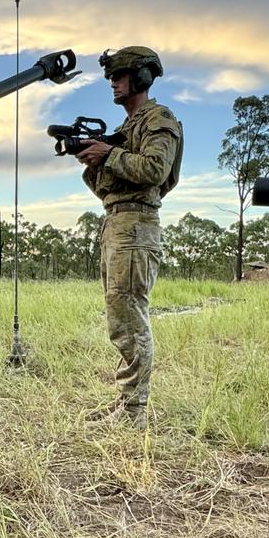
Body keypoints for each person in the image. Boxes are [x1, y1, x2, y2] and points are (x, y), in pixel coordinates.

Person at [75, 46, 183, 429]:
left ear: (140, 77)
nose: (113, 83)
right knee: (118, 317)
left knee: (130, 318)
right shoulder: (124, 131)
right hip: (116, 222)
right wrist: (93, 161)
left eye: (119, 76)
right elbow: (107, 189)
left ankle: (134, 412)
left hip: (137, 225)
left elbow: (155, 169)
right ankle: (126, 403)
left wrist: (109, 155)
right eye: (110, 77)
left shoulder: (159, 119)